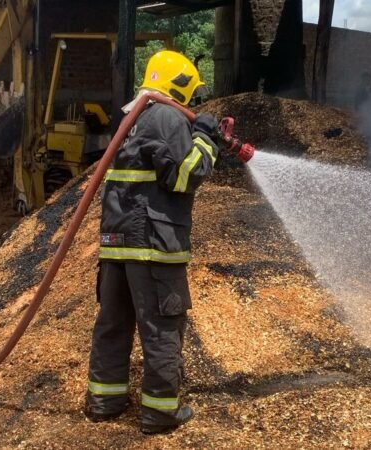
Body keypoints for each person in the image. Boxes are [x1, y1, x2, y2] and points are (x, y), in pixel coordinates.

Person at [84, 50, 218, 434]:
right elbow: (182, 176)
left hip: (117, 244)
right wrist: (207, 140)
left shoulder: (135, 117)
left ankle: (105, 402)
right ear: (181, 86)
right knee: (161, 328)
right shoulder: (167, 116)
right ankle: (160, 413)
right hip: (153, 244)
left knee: (113, 324)